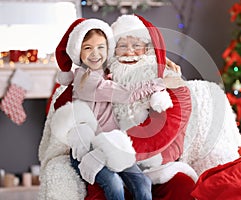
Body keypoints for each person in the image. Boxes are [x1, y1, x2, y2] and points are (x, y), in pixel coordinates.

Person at [47, 18, 185, 200]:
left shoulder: (104, 68)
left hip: (110, 146)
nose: (95, 53)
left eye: (100, 47)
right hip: (88, 149)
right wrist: (161, 83)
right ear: (78, 52)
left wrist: (161, 59)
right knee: (114, 185)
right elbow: (127, 94)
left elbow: (128, 55)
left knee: (142, 183)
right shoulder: (87, 81)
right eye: (87, 48)